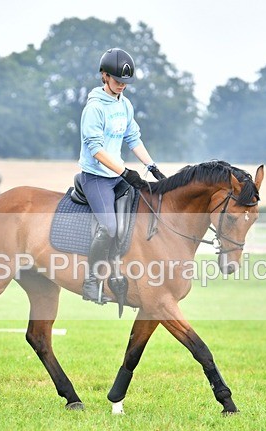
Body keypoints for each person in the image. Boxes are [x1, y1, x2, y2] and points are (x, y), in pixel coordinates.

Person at [78, 47, 166, 303]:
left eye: (126, 83)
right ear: (104, 76)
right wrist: (125, 171)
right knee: (109, 226)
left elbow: (133, 139)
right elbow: (95, 149)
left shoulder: (125, 105)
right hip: (96, 177)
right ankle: (92, 282)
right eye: (117, 81)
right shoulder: (94, 108)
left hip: (116, 176)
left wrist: (152, 167)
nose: (122, 86)